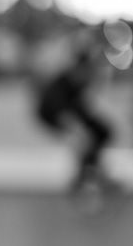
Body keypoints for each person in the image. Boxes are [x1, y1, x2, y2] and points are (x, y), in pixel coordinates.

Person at [36, 47, 119, 196]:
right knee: (85, 139)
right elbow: (62, 115)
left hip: (71, 111)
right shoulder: (59, 88)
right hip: (52, 115)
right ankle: (83, 176)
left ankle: (93, 170)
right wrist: (79, 132)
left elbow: (84, 106)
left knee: (103, 131)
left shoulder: (79, 81)